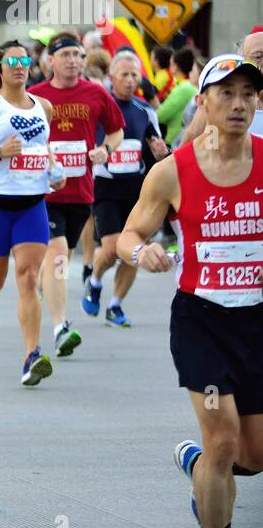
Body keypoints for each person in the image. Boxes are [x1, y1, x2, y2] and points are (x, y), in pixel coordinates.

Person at [116, 54, 263, 528]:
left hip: (257, 322)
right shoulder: (172, 171)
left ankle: (200, 471)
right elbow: (129, 236)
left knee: (254, 454)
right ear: (202, 101)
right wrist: (142, 253)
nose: (239, 104)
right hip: (201, 320)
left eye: (249, 93)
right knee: (222, 437)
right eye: (226, 93)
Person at [0, 40, 63, 385]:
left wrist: (54, 169)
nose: (20, 66)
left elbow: (43, 148)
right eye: (13, 61)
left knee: (28, 277)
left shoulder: (45, 107)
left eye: (25, 60)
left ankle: (31, 356)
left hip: (32, 203)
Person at [27, 34, 124, 357]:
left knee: (61, 261)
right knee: (56, 256)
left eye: (78, 55)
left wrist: (105, 150)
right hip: (44, 193)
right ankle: (60, 327)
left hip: (81, 194)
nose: (73, 60)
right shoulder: (35, 96)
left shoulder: (96, 93)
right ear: (50, 61)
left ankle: (44, 286)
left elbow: (116, 130)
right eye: (66, 54)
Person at [83, 51, 167, 327]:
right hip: (106, 186)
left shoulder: (146, 110)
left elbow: (158, 146)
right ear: (111, 79)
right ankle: (95, 282)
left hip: (136, 189)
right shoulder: (98, 108)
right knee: (110, 249)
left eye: (135, 75)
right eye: (125, 75)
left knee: (134, 249)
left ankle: (115, 305)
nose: (131, 81)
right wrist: (96, 152)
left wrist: (161, 151)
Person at [180, 28, 263, 142]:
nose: (239, 106)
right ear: (242, 59)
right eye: (258, 57)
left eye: (248, 94)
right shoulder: (216, 103)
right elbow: (195, 142)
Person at [158, 47, 198, 145]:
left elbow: (161, 115)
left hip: (176, 140)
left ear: (175, 66)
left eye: (170, 64)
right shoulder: (183, 85)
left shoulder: (184, 88)